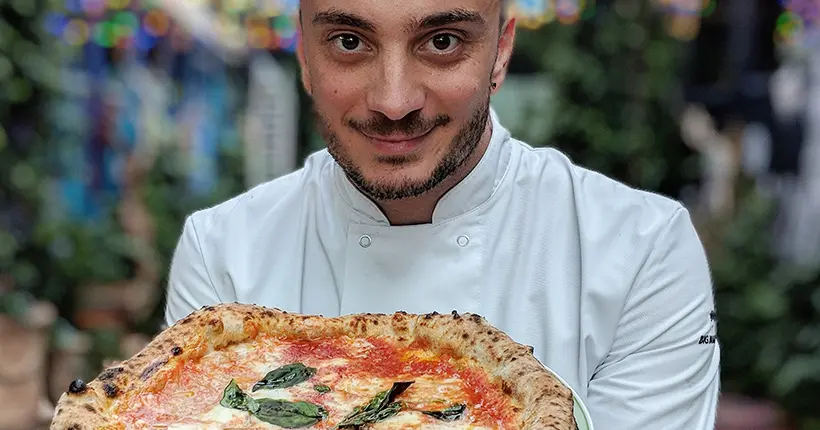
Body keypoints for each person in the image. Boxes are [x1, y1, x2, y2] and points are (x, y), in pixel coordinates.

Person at [164, 0, 721, 428]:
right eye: (350, 41)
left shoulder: (643, 251)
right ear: (305, 55)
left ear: (501, 51)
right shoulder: (221, 254)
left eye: (443, 41)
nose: (394, 100)